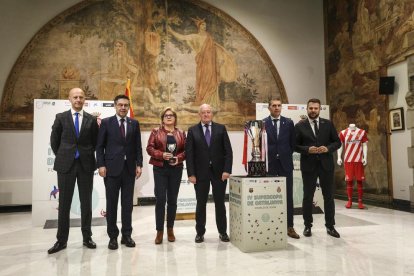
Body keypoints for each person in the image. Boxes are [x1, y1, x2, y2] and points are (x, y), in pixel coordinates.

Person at [48, 87, 99, 254]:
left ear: (85, 100)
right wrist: (65, 156)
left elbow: (95, 142)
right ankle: (61, 240)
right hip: (66, 166)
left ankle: (87, 237)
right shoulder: (61, 118)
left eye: (81, 97)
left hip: (85, 165)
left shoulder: (91, 120)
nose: (78, 99)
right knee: (64, 203)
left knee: (86, 202)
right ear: (69, 99)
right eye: (75, 97)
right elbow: (54, 141)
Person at [96, 94, 143, 250]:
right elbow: (99, 146)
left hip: (129, 170)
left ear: (128, 107)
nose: (123, 108)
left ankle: (127, 235)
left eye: (126, 105)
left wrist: (139, 164)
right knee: (112, 204)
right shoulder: (106, 123)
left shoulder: (134, 123)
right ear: (115, 106)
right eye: (120, 105)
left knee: (127, 204)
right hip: (111, 170)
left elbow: (138, 146)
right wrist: (101, 165)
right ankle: (113, 237)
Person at [186, 104, 233, 243]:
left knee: (220, 203)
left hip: (219, 173)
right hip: (200, 174)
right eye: (203, 112)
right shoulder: (192, 130)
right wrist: (191, 174)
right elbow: (189, 154)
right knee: (201, 204)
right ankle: (200, 233)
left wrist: (227, 170)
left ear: (212, 114)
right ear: (199, 114)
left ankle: (223, 232)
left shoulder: (221, 128)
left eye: (208, 112)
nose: (206, 114)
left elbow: (228, 152)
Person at [294, 98, 341, 238]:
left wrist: (327, 148)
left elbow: (337, 142)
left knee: (329, 197)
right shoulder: (299, 126)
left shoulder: (328, 124)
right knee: (308, 197)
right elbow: (295, 146)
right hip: (309, 166)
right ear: (307, 109)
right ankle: (307, 226)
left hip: (326, 165)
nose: (313, 111)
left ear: (319, 109)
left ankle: (330, 226)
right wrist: (308, 149)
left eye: (316, 108)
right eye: (311, 108)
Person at [168, 18, 236, 108]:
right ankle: (203, 101)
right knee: (202, 82)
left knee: (211, 81)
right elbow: (183, 37)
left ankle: (212, 103)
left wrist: (219, 61)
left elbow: (215, 50)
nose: (204, 27)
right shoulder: (195, 36)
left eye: (205, 25)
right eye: (203, 25)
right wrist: (171, 31)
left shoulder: (209, 38)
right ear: (199, 26)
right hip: (202, 64)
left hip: (211, 64)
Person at [146, 107, 186, 244]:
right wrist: (161, 155)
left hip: (176, 169)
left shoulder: (181, 132)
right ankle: (159, 231)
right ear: (162, 118)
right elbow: (149, 148)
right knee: (160, 200)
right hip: (160, 169)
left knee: (173, 200)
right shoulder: (155, 132)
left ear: (175, 118)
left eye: (171, 115)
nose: (168, 117)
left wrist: (178, 158)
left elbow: (186, 151)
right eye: (166, 115)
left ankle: (170, 229)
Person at [263, 98, 299, 239]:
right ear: (269, 108)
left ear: (281, 107)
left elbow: (293, 144)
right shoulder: (263, 123)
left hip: (285, 164)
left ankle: (289, 226)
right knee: (270, 195)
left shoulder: (289, 123)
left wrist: (283, 154)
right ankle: (270, 226)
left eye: (279, 106)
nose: (276, 108)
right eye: (274, 106)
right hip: (270, 164)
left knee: (288, 196)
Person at [337, 124, 368, 209]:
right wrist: (339, 157)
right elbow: (340, 145)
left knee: (359, 181)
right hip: (348, 160)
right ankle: (349, 201)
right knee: (349, 181)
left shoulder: (361, 132)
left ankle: (360, 202)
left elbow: (365, 145)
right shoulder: (343, 133)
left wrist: (365, 157)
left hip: (359, 160)